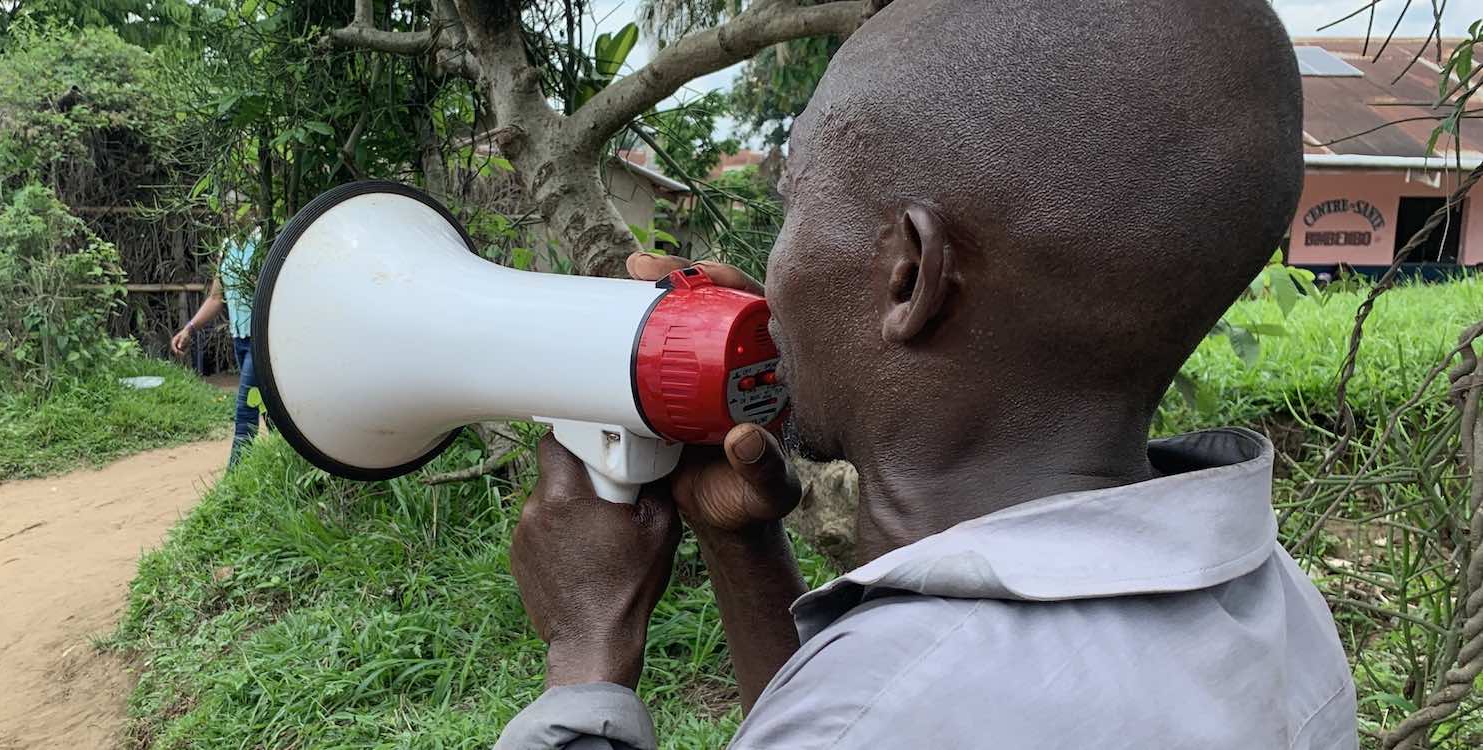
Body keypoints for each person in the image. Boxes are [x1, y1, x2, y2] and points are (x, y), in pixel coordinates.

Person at [494, 2, 1356, 749]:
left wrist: (584, 659)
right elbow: (857, 707)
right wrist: (742, 544)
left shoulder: (894, 707)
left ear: (908, 276)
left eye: (795, 205)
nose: (773, 267)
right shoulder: (1283, 609)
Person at [173, 224, 263, 468]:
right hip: (240, 339)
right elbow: (216, 298)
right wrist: (189, 329)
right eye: (229, 212)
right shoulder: (227, 246)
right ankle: (278, 470)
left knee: (245, 411)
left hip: (263, 339)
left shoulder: (264, 242)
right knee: (270, 411)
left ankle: (234, 481)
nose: (235, 216)